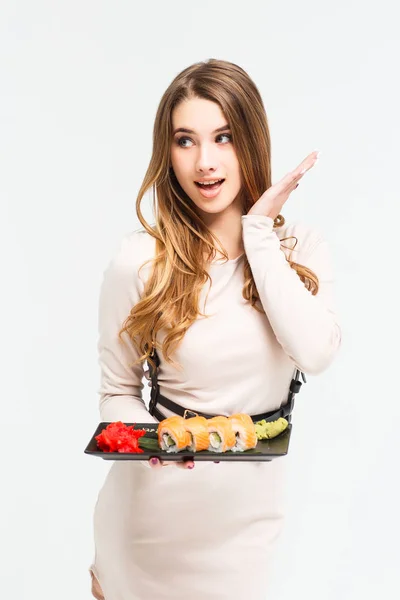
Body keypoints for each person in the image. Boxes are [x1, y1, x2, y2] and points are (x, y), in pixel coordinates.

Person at [88, 58, 342, 600]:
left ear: (250, 139)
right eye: (185, 140)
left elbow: (316, 352)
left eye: (223, 137)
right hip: (147, 532)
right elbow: (117, 392)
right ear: (168, 152)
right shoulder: (139, 263)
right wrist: (150, 442)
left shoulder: (297, 249)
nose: (204, 162)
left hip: (246, 536)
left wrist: (258, 233)